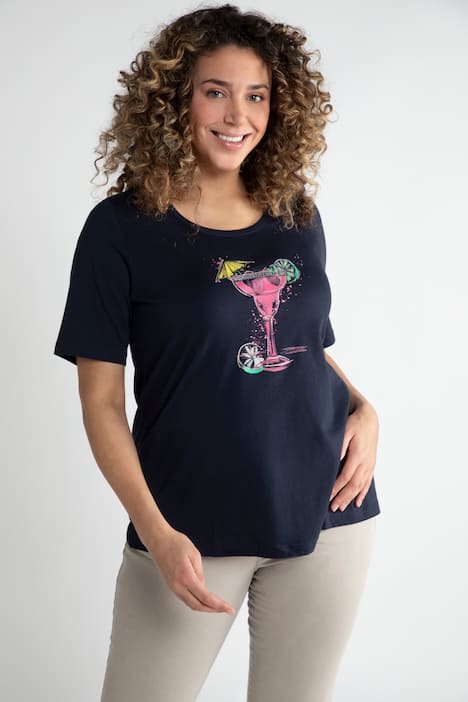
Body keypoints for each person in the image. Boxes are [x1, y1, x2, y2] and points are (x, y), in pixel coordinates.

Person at [53, 4, 381, 701]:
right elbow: (101, 403)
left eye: (257, 95)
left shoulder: (296, 215)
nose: (238, 116)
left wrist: (365, 409)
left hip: (328, 509)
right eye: (216, 91)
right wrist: (156, 532)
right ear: (175, 98)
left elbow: (307, 349)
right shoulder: (120, 229)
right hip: (188, 526)